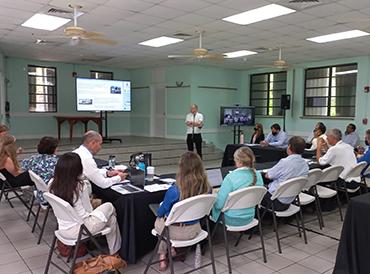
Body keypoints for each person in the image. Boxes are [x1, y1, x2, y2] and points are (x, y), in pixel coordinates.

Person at [49, 152, 121, 255]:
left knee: (112, 219)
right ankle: (115, 253)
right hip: (82, 229)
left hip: (63, 228)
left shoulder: (52, 183)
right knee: (109, 206)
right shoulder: (80, 186)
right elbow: (89, 210)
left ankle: (114, 253)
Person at [155, 152, 211, 271]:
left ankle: (163, 255)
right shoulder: (207, 188)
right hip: (196, 230)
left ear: (181, 168)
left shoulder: (174, 191)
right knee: (167, 223)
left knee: (161, 220)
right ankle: (171, 250)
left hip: (175, 233)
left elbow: (160, 212)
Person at [212, 147, 264, 226]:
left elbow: (219, 205)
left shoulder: (230, 177)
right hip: (249, 217)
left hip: (230, 219)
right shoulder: (258, 175)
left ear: (239, 162)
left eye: (235, 159)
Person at [261, 136, 309, 211]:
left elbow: (268, 175)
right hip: (290, 201)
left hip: (275, 201)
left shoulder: (285, 162)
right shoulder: (305, 164)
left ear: (289, 147)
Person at [21, 136, 59, 204]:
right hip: (54, 198)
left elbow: (23, 166)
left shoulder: (33, 159)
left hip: (40, 196)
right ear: (53, 149)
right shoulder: (58, 161)